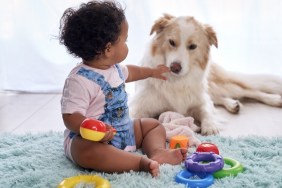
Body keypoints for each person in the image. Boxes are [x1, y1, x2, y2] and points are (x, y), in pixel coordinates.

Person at [59, 0, 187, 177]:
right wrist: (96, 129)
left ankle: (157, 151)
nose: (127, 44)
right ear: (109, 49)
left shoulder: (114, 68)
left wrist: (152, 71)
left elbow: (133, 72)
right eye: (125, 40)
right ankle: (139, 163)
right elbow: (70, 117)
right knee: (85, 150)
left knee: (153, 125)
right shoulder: (79, 80)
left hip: (124, 131)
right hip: (92, 140)